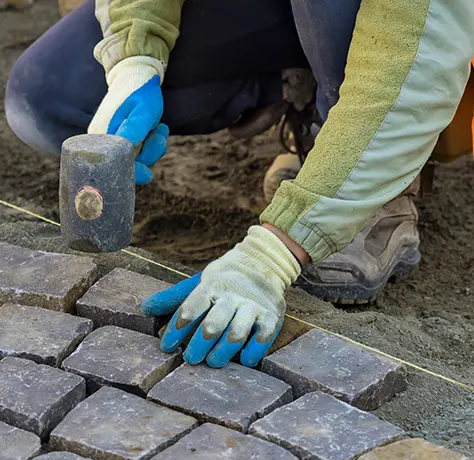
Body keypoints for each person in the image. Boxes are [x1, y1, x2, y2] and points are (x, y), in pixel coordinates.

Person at [5, 0, 474, 368]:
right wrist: (135, 57)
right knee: (46, 98)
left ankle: (375, 182)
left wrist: (277, 250)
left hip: (415, 36)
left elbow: (421, 52)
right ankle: (299, 91)